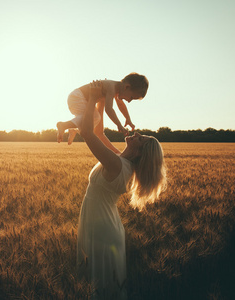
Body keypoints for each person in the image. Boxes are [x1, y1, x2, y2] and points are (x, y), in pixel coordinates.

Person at [77, 81, 166, 299]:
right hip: (103, 224)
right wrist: (100, 100)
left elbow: (87, 132)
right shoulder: (119, 159)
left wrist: (89, 97)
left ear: (139, 153)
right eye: (139, 134)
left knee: (103, 287)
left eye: (140, 139)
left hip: (103, 231)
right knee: (102, 285)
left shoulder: (118, 165)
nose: (135, 134)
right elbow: (98, 131)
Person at [57, 73, 149, 153]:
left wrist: (128, 119)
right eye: (131, 97)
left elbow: (121, 105)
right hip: (77, 97)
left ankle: (74, 129)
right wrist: (119, 125)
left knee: (89, 121)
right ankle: (64, 125)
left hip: (78, 97)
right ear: (127, 87)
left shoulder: (116, 89)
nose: (129, 101)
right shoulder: (111, 88)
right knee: (96, 117)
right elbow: (109, 109)